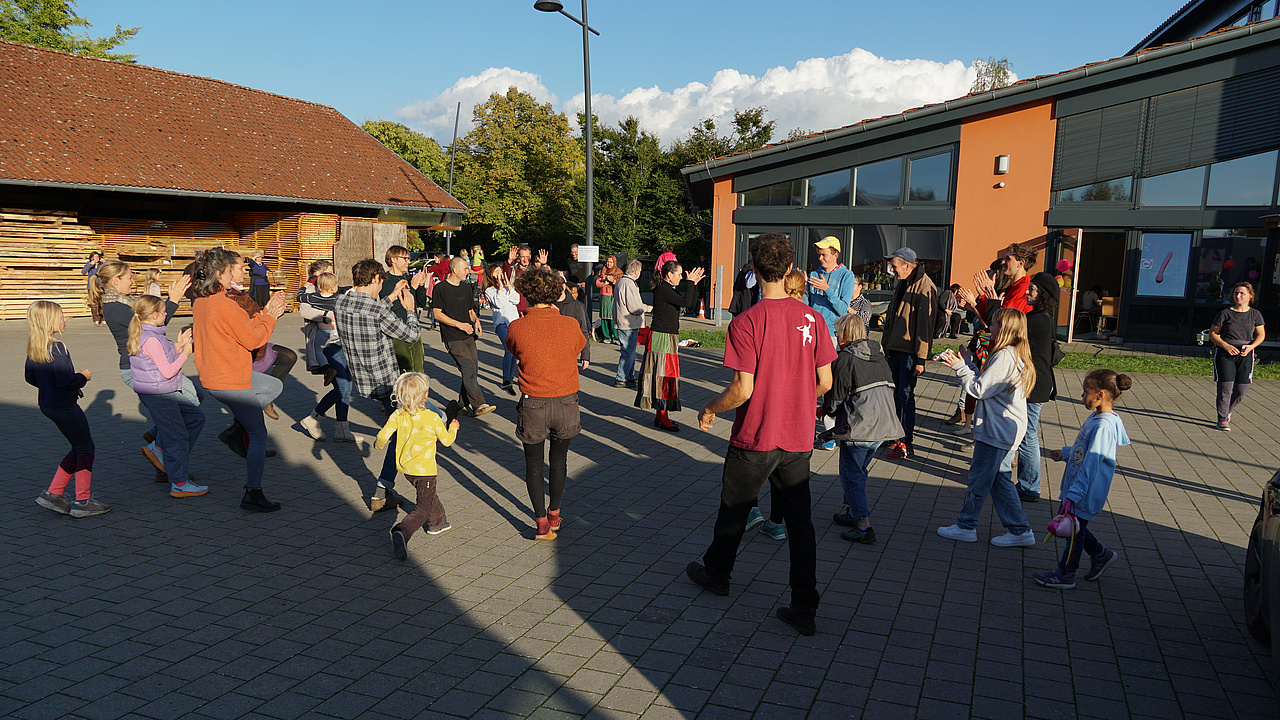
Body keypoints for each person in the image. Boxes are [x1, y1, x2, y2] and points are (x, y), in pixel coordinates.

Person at [686, 232, 835, 637]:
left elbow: (743, 390)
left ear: (753, 269)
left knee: (734, 510)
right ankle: (804, 605)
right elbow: (825, 381)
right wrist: (796, 395)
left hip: (755, 436)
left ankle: (718, 574)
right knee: (801, 524)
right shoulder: (813, 318)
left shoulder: (746, 322)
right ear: (789, 270)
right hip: (798, 437)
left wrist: (708, 407)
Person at [336, 259, 440, 513]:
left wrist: (391, 298)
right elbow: (411, 335)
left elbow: (368, 309)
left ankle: (384, 491)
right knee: (417, 426)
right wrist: (411, 310)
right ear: (375, 279)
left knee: (403, 429)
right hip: (388, 382)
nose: (380, 288)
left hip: (363, 380)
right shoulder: (377, 310)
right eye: (381, 283)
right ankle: (383, 491)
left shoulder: (341, 302)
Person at [191, 248, 287, 512]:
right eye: (231, 270)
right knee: (258, 434)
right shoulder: (225, 304)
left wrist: (264, 313)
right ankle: (253, 493)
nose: (236, 273)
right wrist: (272, 316)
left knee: (273, 385)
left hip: (215, 377)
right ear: (220, 274)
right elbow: (254, 339)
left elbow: (242, 330)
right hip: (232, 381)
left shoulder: (201, 302)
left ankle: (236, 428)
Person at [934, 308, 1037, 547]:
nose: (989, 328)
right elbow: (987, 383)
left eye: (994, 325)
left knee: (979, 479)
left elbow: (979, 390)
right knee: (999, 480)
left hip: (997, 430)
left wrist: (959, 368)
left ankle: (966, 525)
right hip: (1003, 429)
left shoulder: (1005, 356)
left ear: (1005, 330)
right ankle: (1019, 529)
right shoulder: (1012, 354)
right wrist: (968, 364)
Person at [506, 266, 588, 540]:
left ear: (526, 293)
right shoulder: (570, 324)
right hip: (566, 401)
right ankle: (555, 513)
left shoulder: (518, 326)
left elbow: (513, 348)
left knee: (533, 464)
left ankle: (541, 524)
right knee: (560, 460)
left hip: (533, 404)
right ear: (557, 292)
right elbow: (578, 347)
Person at [92, 260, 195, 476]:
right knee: (191, 406)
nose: (133, 280)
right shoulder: (116, 308)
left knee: (193, 402)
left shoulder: (122, 302)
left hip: (147, 367)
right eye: (129, 277)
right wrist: (172, 300)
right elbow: (151, 322)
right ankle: (161, 450)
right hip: (140, 370)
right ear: (115, 280)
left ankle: (160, 442)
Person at [1033, 369, 1132, 589]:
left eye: (1086, 391)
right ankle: (1100, 555)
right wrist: (1066, 453)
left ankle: (1066, 573)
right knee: (1076, 527)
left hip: (1085, 489)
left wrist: (1076, 492)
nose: (1082, 395)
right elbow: (1084, 449)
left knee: (1073, 533)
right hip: (1079, 486)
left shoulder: (1104, 425)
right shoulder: (1097, 417)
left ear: (1101, 395)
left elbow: (1092, 462)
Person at [820, 314, 904, 544]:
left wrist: (824, 410)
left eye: (838, 333)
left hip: (860, 426)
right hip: (884, 424)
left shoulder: (845, 359)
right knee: (859, 471)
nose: (836, 337)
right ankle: (850, 511)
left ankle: (863, 525)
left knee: (851, 475)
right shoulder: (878, 355)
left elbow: (835, 398)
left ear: (846, 335)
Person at [27, 300, 110, 518]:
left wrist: (59, 389)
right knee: (86, 448)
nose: (65, 320)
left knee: (77, 447)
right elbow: (65, 380)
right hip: (64, 406)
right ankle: (82, 500)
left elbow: (30, 377)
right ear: (49, 321)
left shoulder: (35, 347)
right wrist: (82, 377)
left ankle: (54, 493)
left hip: (48, 404)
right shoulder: (58, 347)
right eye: (61, 316)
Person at [127, 295, 208, 498]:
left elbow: (159, 358)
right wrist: (186, 353)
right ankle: (179, 483)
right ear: (154, 315)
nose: (166, 314)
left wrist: (178, 345)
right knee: (177, 436)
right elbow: (168, 370)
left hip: (162, 391)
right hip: (160, 393)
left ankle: (160, 450)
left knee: (195, 418)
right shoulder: (152, 338)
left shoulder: (150, 333)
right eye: (164, 312)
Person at [379, 372, 460, 558]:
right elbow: (447, 441)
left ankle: (438, 523)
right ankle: (403, 531)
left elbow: (384, 435)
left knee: (428, 495)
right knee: (422, 508)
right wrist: (453, 427)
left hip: (407, 469)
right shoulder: (432, 418)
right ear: (426, 395)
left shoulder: (398, 414)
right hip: (425, 470)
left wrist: (378, 444)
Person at [880, 247, 936, 459]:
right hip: (894, 349)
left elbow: (925, 326)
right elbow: (891, 319)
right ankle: (893, 437)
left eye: (894, 266)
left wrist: (921, 358)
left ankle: (906, 442)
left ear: (907, 265)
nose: (892, 270)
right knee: (892, 394)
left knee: (905, 396)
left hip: (909, 352)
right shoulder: (902, 283)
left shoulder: (924, 287)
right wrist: (886, 348)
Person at [635, 260, 705, 431]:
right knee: (663, 377)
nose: (681, 277)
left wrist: (693, 284)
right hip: (661, 336)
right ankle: (663, 416)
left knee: (664, 376)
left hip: (667, 336)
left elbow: (690, 302)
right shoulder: (662, 289)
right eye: (679, 274)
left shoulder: (667, 289)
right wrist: (690, 283)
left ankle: (660, 415)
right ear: (669, 275)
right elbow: (687, 303)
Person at [1016, 272, 1060, 502]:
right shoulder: (1039, 317)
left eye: (1032, 289)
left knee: (1027, 436)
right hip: (1036, 384)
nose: (1027, 291)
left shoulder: (1039, 320)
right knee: (1026, 434)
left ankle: (1030, 486)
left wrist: (989, 304)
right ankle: (1026, 483)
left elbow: (1009, 333)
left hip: (1035, 386)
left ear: (1043, 294)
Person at [434, 256, 496, 417]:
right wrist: (458, 324)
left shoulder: (466, 288)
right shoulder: (440, 288)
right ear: (455, 270)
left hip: (468, 335)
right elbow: (437, 314)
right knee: (468, 368)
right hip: (452, 336)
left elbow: (470, 310)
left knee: (472, 370)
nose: (468, 271)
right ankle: (479, 404)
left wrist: (477, 321)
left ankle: (462, 404)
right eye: (465, 269)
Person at [299, 272, 357, 443]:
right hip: (328, 345)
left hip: (340, 342)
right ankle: (314, 418)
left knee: (346, 385)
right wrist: (327, 315)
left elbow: (347, 291)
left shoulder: (333, 294)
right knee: (343, 388)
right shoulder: (312, 294)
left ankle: (342, 429)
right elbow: (303, 308)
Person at [1209, 282, 1265, 430]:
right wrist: (1225, 345)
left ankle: (1228, 411)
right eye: (1236, 293)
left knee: (1241, 389)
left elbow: (1261, 335)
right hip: (1225, 353)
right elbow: (1213, 334)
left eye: (1242, 293)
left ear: (1250, 296)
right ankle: (1222, 419)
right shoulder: (1225, 313)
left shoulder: (1255, 314)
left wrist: (1251, 346)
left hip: (1246, 352)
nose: (1238, 296)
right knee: (1225, 388)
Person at [380, 245, 429, 374]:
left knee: (418, 371)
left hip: (414, 330)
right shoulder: (384, 281)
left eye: (408, 259)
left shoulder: (408, 278)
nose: (408, 261)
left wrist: (422, 285)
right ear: (393, 259)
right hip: (397, 334)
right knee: (406, 373)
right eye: (405, 258)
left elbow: (420, 303)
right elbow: (394, 307)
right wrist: (412, 288)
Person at [482, 264, 521, 395]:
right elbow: (500, 303)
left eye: (500, 270)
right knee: (508, 349)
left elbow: (516, 300)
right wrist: (500, 289)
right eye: (496, 271)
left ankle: (509, 379)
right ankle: (505, 380)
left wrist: (509, 286)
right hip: (501, 323)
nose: (499, 273)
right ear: (491, 275)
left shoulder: (507, 287)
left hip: (514, 322)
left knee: (514, 352)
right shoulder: (490, 290)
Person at [613, 260, 650, 389]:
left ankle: (629, 377)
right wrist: (646, 308)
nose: (640, 273)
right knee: (628, 352)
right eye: (639, 271)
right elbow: (634, 307)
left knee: (630, 352)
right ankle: (621, 377)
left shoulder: (621, 282)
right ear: (635, 271)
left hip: (623, 321)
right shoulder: (629, 284)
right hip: (628, 322)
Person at [556, 272, 591, 371]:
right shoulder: (548, 305)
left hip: (569, 351)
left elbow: (583, 330)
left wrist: (585, 355)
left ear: (563, 286)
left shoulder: (576, 306)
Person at [594, 255, 624, 343]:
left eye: (611, 262)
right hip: (604, 296)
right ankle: (606, 336)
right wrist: (604, 283)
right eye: (607, 262)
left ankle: (616, 336)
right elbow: (597, 283)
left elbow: (621, 284)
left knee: (612, 316)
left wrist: (613, 281)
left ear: (614, 262)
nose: (609, 264)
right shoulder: (602, 271)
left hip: (613, 296)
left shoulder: (618, 272)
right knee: (604, 316)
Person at [82, 252, 104, 326]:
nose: (97, 258)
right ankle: (96, 320)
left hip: (101, 285)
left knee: (103, 303)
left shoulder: (102, 264)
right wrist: (91, 264)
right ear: (91, 258)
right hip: (91, 286)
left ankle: (104, 319)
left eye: (98, 257)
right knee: (94, 303)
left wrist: (105, 263)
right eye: (95, 257)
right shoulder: (89, 264)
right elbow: (83, 272)